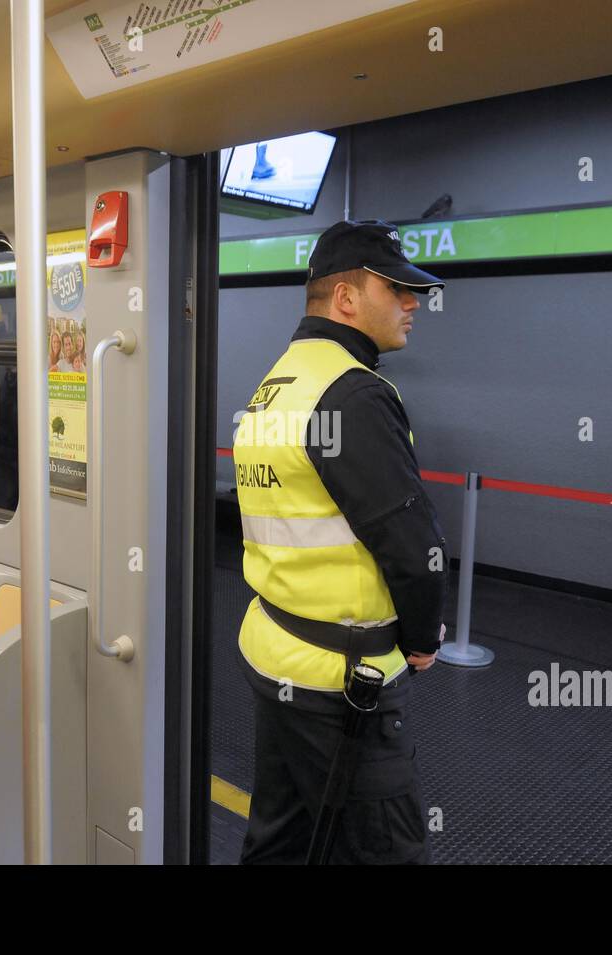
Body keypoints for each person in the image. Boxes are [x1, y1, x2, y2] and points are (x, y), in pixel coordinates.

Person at [233, 219, 449, 864]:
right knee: (387, 853)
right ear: (346, 299)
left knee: (283, 837)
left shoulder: (277, 383)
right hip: (342, 679)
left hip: (276, 651)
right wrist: (422, 637)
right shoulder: (353, 394)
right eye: (399, 290)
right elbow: (411, 540)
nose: (414, 304)